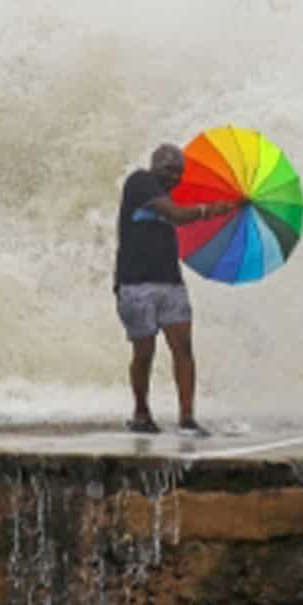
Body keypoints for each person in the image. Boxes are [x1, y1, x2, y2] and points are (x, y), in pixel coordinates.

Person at [114, 143, 237, 436]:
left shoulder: (170, 195)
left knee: (183, 348)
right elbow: (177, 216)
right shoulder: (139, 182)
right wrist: (211, 210)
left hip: (171, 282)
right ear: (155, 166)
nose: (174, 177)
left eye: (179, 172)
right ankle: (141, 414)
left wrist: (231, 208)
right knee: (144, 352)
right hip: (135, 284)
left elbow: (181, 215)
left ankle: (187, 418)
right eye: (169, 170)